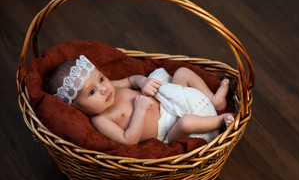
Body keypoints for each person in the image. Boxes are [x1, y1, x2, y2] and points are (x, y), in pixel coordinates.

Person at [46, 55, 234, 145]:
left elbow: (130, 80)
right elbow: (128, 141)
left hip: (168, 101)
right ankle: (219, 120)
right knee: (186, 122)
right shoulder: (101, 119)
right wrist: (140, 110)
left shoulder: (111, 86)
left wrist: (143, 82)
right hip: (169, 128)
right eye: (92, 92)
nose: (104, 89)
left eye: (101, 78)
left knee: (181, 73)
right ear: (79, 109)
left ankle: (214, 101)